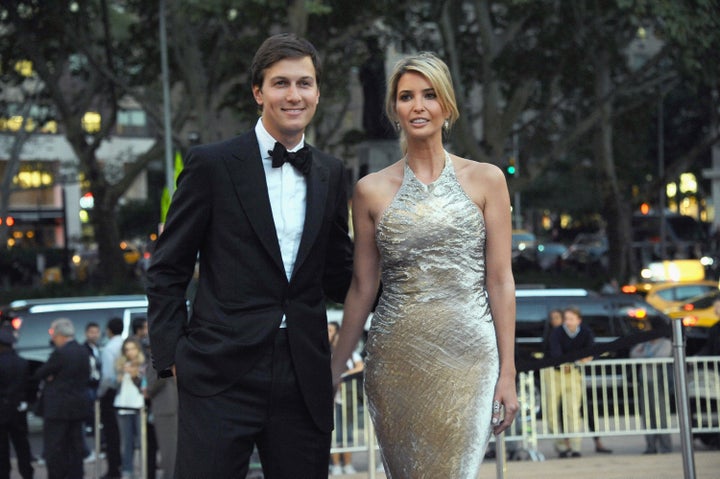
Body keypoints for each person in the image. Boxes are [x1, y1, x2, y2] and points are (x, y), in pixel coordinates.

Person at [146, 32, 353, 479]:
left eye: (304, 83)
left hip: (303, 374)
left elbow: (339, 275)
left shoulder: (333, 173)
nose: (293, 95)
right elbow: (167, 268)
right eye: (281, 83)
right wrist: (173, 356)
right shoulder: (211, 164)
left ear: (317, 92)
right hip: (219, 371)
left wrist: (413, 282)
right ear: (258, 92)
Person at [330, 52, 518, 477]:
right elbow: (362, 289)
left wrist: (508, 371)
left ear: (447, 106)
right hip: (395, 362)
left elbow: (501, 279)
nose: (418, 106)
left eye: (429, 95)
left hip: (471, 360)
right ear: (394, 109)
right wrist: (334, 368)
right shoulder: (369, 191)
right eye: (406, 96)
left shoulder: (487, 179)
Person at [32, 318, 90, 479]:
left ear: (59, 334)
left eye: (52, 333)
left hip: (58, 408)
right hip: (78, 406)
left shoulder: (61, 353)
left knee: (55, 448)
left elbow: (40, 373)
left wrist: (51, 377)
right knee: (75, 446)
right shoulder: (82, 351)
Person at [547, 307, 594, 458]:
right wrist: (567, 361)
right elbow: (555, 351)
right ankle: (561, 446)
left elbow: (592, 349)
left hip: (573, 373)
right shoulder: (557, 332)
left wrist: (586, 358)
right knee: (551, 412)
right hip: (554, 373)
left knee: (573, 410)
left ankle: (575, 446)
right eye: (566, 318)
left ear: (578, 320)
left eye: (571, 319)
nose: (567, 322)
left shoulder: (585, 331)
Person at [327, 321, 363, 476]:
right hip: (332, 401)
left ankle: (347, 464)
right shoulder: (326, 354)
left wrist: (342, 376)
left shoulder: (351, 354)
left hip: (347, 400)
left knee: (348, 434)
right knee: (334, 435)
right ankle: (335, 465)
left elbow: (360, 366)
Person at [630, 326, 673, 454]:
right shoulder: (644, 343)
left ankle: (665, 446)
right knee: (647, 416)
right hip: (644, 383)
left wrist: (644, 356)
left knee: (661, 415)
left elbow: (661, 356)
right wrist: (648, 356)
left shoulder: (665, 343)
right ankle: (651, 446)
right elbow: (633, 354)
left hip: (659, 383)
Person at [0, 324, 34, 479]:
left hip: (2, 409)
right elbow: (28, 386)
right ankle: (27, 473)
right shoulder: (22, 362)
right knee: (22, 445)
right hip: (18, 409)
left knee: (2, 448)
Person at [143, 340, 177, 479]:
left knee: (168, 449)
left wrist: (148, 391)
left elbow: (161, 379)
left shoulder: (158, 360)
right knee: (171, 448)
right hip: (171, 406)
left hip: (164, 409)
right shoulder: (170, 358)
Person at [114, 337, 146, 479]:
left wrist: (135, 375)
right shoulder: (121, 364)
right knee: (126, 442)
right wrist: (120, 376)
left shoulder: (144, 365)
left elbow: (145, 387)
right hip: (123, 406)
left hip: (139, 407)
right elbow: (114, 386)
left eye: (132, 348)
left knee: (142, 441)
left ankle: (144, 470)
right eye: (127, 349)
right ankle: (127, 471)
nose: (130, 352)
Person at [99, 317, 124, 479]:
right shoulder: (127, 344)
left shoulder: (109, 348)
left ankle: (113, 470)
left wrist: (99, 394)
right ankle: (125, 465)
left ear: (109, 330)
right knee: (124, 433)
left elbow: (108, 377)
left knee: (111, 434)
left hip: (111, 394)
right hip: (126, 392)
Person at [83, 321, 102, 463]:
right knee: (90, 418)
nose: (94, 335)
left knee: (98, 419)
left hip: (97, 385)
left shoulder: (98, 349)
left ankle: (99, 447)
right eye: (91, 332)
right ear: (86, 333)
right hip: (88, 386)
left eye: (96, 332)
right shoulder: (84, 350)